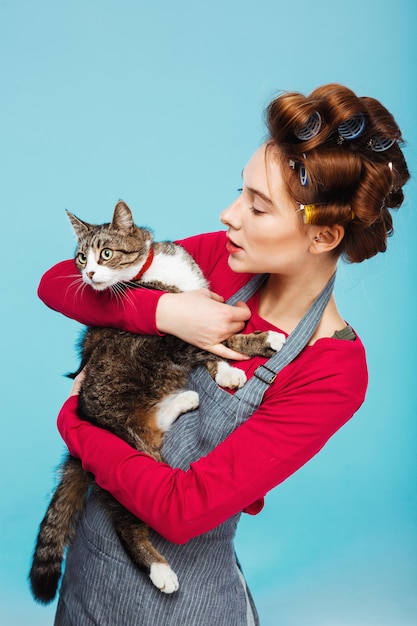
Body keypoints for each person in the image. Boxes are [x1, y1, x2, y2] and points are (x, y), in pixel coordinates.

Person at [38, 84, 409, 625]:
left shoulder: (332, 370)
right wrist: (164, 314)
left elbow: (181, 508)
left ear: (324, 235)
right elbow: (55, 284)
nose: (228, 214)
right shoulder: (222, 261)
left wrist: (75, 425)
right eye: (240, 191)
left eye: (257, 207)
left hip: (178, 604)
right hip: (88, 575)